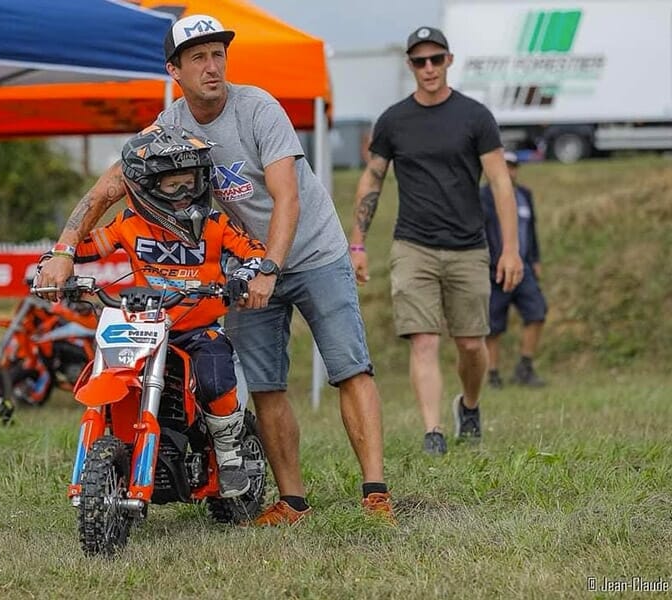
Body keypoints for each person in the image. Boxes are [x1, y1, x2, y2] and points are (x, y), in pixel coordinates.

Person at [36, 14, 393, 524]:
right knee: (265, 384)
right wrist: (66, 248)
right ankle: (292, 501)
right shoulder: (171, 125)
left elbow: (285, 197)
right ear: (174, 70)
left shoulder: (258, 109)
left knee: (349, 368)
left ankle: (375, 493)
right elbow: (110, 187)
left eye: (218, 54)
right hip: (240, 267)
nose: (212, 66)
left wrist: (268, 265)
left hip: (312, 252)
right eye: (198, 57)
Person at [39, 124, 267, 498]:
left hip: (198, 329)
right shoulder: (131, 223)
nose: (184, 193)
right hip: (145, 325)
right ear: (146, 187)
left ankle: (227, 455)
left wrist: (243, 276)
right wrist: (55, 260)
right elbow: (90, 246)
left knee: (214, 377)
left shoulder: (215, 224)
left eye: (191, 182)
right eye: (171, 185)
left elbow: (254, 252)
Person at [350, 26, 524, 456]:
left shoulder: (475, 116)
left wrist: (511, 248)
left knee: (471, 344)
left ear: (448, 61)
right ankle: (433, 433)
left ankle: (469, 404)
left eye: (435, 59)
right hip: (414, 246)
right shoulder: (393, 120)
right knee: (424, 339)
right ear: (410, 65)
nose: (428, 68)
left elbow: (502, 184)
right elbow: (372, 178)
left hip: (468, 245)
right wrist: (357, 243)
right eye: (419, 61)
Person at [481, 151, 547, 388]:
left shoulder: (524, 195)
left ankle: (525, 367)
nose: (509, 171)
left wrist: (535, 259)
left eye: (513, 166)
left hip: (523, 267)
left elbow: (531, 230)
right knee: (494, 325)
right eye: (504, 166)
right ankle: (492, 374)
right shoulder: (482, 197)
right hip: (494, 269)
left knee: (537, 312)